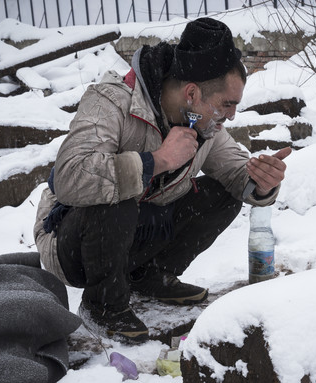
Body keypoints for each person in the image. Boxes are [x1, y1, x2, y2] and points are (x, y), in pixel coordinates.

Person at [33, 17, 291, 343]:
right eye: (227, 104)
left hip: (133, 233)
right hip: (71, 244)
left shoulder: (204, 124)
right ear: (192, 93)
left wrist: (262, 182)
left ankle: (148, 275)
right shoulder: (111, 101)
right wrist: (156, 161)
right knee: (119, 193)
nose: (232, 115)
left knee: (222, 193)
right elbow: (71, 178)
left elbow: (237, 173)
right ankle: (102, 305)